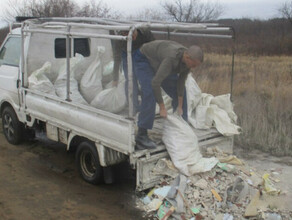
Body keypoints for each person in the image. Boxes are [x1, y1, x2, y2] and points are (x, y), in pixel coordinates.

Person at [134, 40, 203, 150]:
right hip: (144, 59)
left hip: (159, 62)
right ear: (187, 57)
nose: (193, 68)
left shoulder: (186, 61)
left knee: (181, 92)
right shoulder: (171, 58)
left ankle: (181, 129)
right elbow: (156, 83)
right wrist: (162, 107)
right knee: (150, 94)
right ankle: (141, 136)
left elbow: (180, 82)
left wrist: (180, 106)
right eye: (193, 65)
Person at [111, 28, 154, 114]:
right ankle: (134, 107)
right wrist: (115, 78)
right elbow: (117, 58)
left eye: (131, 34)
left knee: (145, 80)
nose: (129, 36)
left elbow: (155, 47)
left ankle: (147, 108)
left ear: (136, 30)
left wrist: (153, 65)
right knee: (130, 81)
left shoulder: (145, 33)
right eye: (125, 34)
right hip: (126, 54)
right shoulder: (119, 39)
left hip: (142, 54)